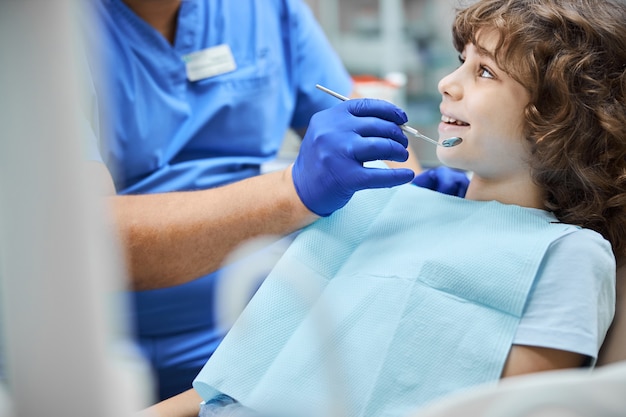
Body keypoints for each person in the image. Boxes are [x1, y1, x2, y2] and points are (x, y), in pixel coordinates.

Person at [135, 0, 626, 416]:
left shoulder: (568, 258)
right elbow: (226, 388)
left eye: (483, 71)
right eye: (460, 60)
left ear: (557, 119)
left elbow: (527, 407)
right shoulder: (371, 208)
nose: (447, 84)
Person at [83, 0, 467, 402]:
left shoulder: (266, 9)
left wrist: (417, 199)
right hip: (102, 346)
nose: (448, 85)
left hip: (266, 322)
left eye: (484, 71)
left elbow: (370, 136)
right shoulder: (40, 35)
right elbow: (91, 241)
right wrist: (292, 190)